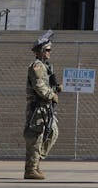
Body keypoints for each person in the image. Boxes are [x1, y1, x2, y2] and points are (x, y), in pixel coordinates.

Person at [24, 33, 62, 180]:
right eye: (47, 50)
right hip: (37, 108)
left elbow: (46, 85)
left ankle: (37, 161)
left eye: (49, 50)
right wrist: (52, 95)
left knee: (53, 132)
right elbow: (39, 87)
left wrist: (56, 88)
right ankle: (31, 169)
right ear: (39, 51)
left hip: (45, 107)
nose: (49, 52)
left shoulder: (46, 67)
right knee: (36, 137)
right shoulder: (37, 66)